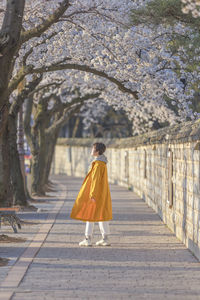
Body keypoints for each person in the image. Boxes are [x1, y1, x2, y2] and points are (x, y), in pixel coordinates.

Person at [70, 142, 112, 247]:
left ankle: (87, 239)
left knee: (90, 216)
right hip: (101, 194)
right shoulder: (101, 163)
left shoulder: (98, 164)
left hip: (95, 195)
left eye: (93, 149)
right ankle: (105, 238)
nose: (91, 151)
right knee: (101, 216)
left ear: (97, 151)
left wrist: (92, 195)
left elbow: (95, 181)